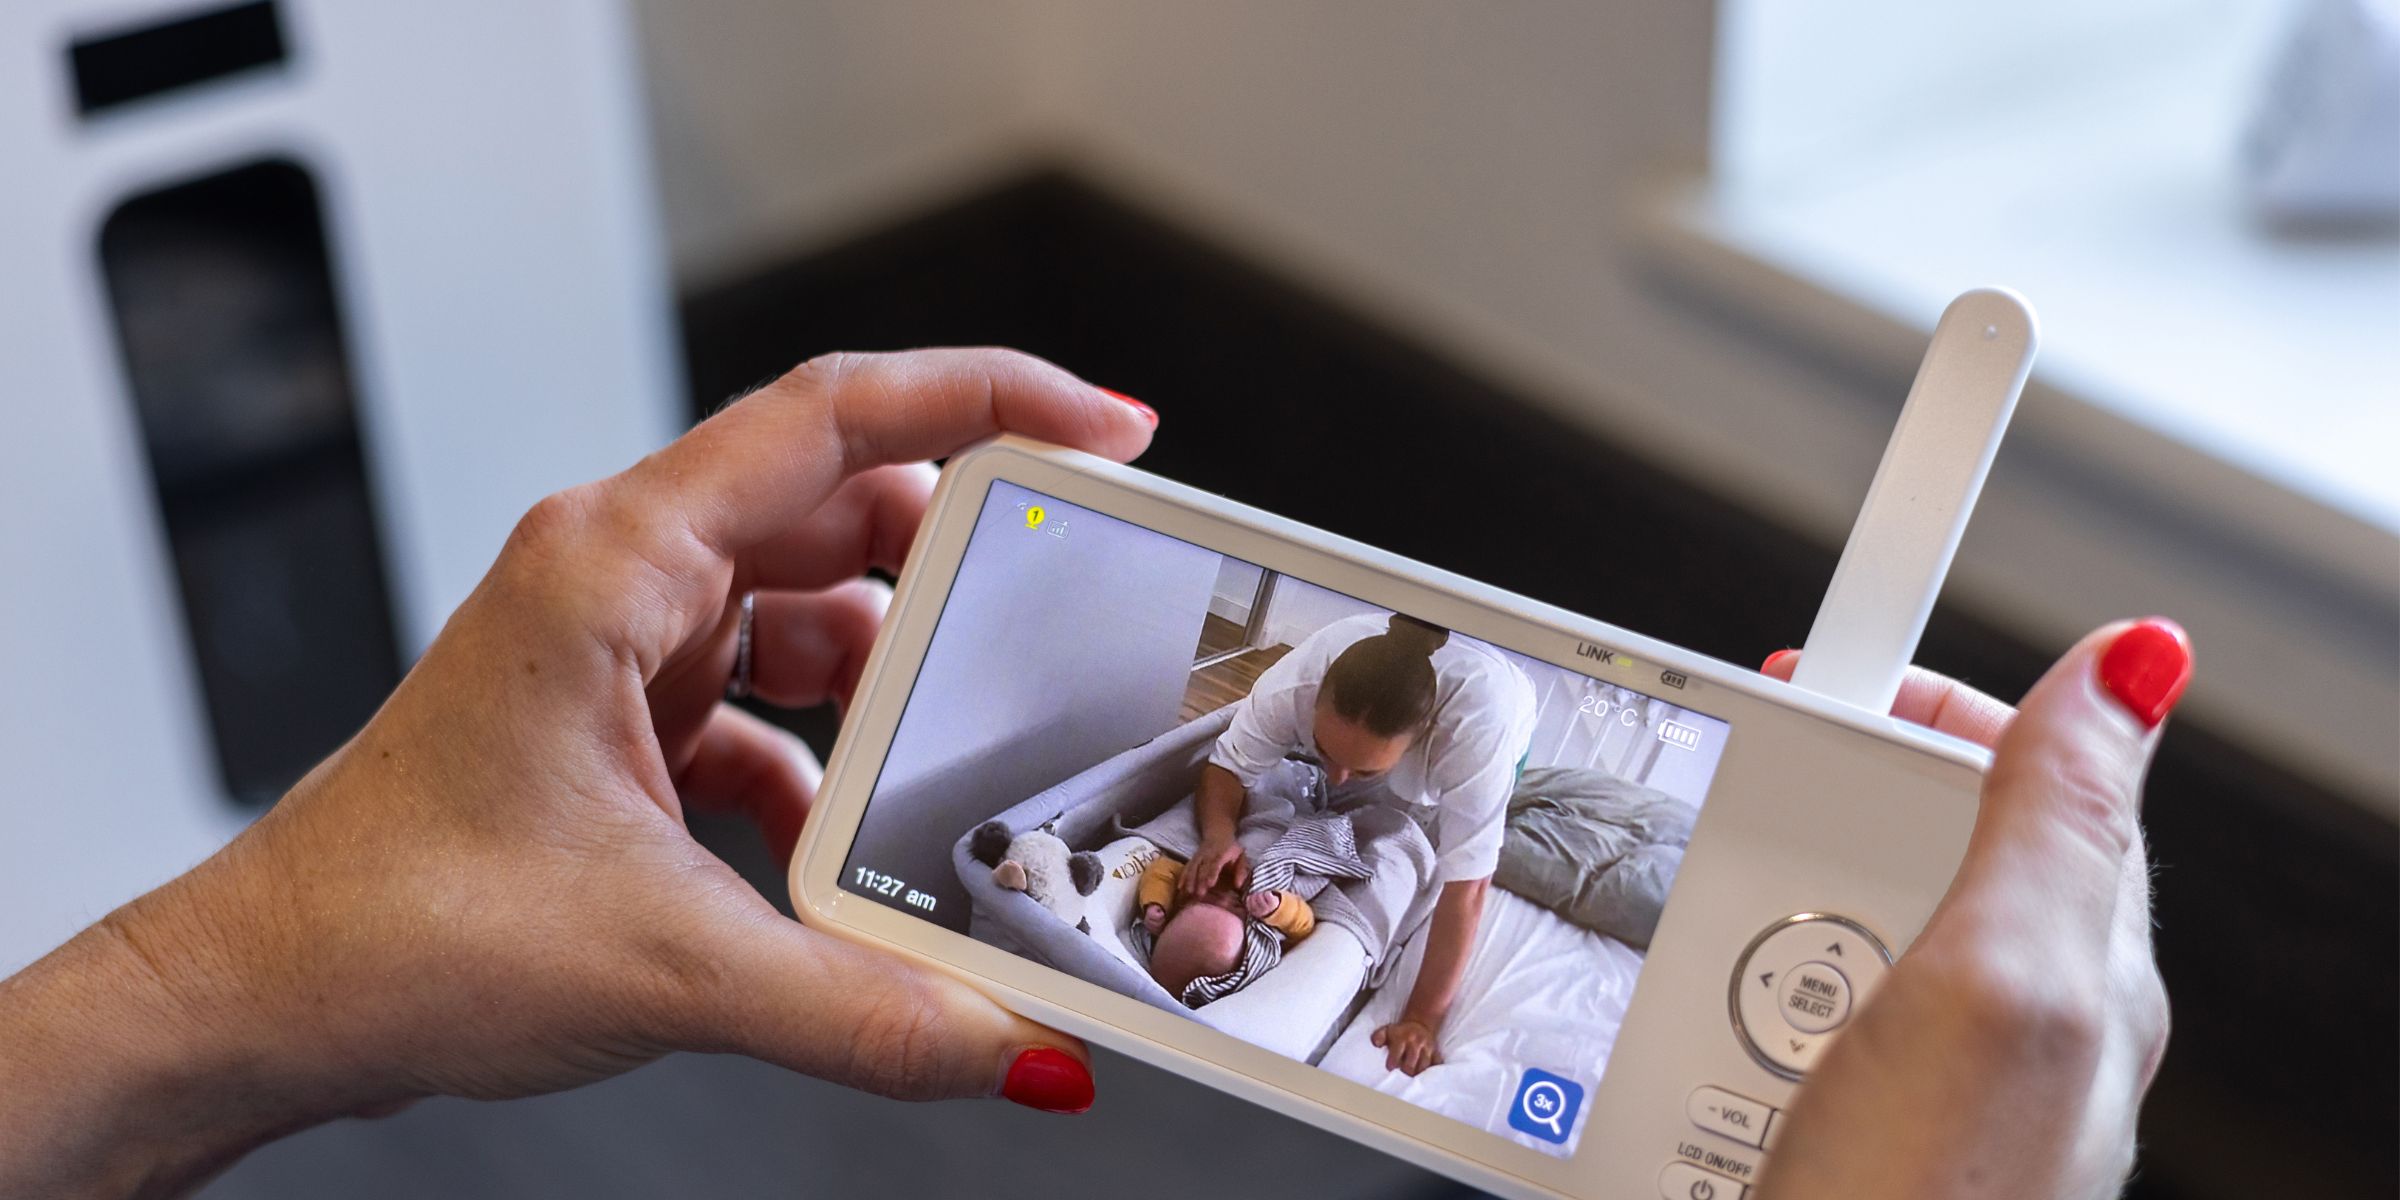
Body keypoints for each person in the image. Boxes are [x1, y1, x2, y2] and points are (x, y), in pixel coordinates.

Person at [0, 349, 2180, 1200]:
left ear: (1420, 736)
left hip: (1453, 851)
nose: (1216, 910)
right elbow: (1228, 808)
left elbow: (1440, 879)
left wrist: (1414, 984)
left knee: (1631, 845)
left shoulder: (1473, 737)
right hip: (1336, 844)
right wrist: (1216, 867)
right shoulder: (1309, 710)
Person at [1181, 611, 1538, 1075]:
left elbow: (1466, 887)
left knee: (1417, 842)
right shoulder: (1296, 684)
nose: (1338, 777)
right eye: (1324, 753)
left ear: (1426, 735)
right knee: (1341, 793)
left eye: (1365, 768)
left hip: (1500, 715)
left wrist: (1421, 1019)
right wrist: (1219, 836)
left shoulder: (1479, 732)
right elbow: (1227, 766)